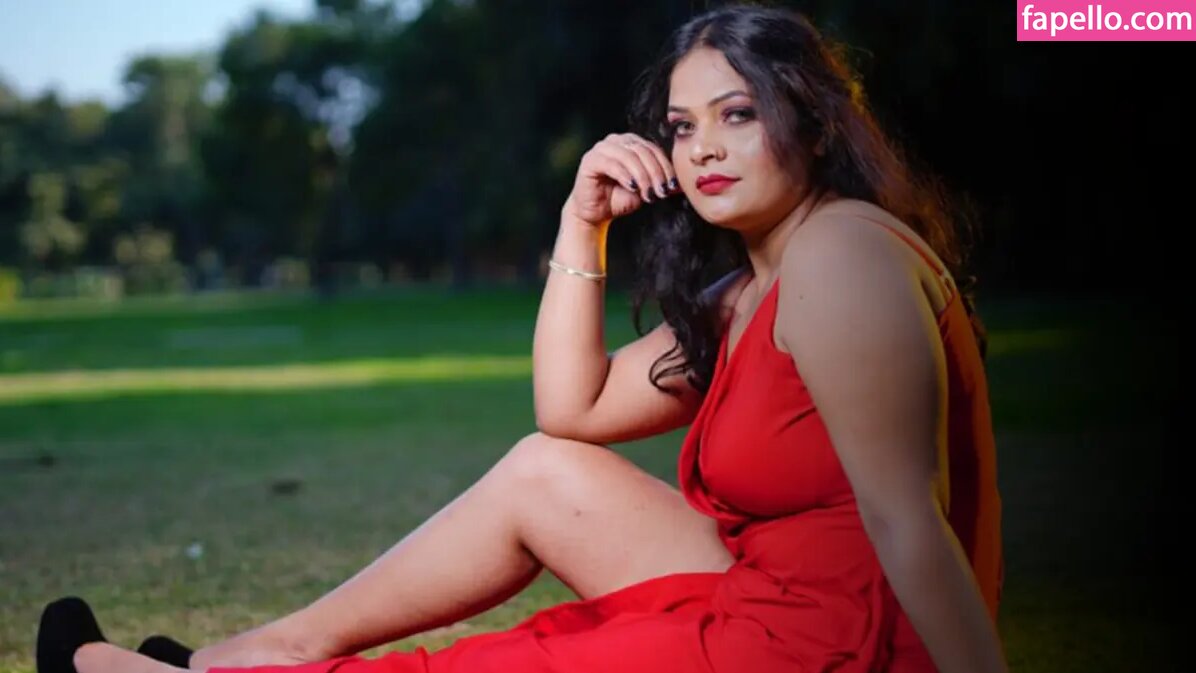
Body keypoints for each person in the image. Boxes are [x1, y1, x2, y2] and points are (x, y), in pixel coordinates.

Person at [36, 5, 1005, 673]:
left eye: (738, 114)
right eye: (680, 126)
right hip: (778, 599)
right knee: (545, 469)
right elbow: (569, 411)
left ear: (818, 125)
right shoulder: (751, 288)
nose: (702, 147)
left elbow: (907, 521)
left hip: (835, 645)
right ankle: (263, 653)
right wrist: (580, 224)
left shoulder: (842, 255)